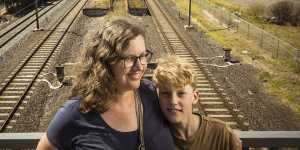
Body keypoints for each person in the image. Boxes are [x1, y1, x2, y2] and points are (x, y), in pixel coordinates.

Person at [36, 19, 175, 150]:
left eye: (143, 56)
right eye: (130, 58)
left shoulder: (154, 95)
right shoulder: (75, 113)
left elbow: (188, 126)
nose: (139, 66)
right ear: (106, 62)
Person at [153, 55, 242, 150]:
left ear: (195, 97)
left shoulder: (221, 135)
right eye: (166, 93)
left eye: (181, 93)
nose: (173, 101)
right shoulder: (152, 137)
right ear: (158, 96)